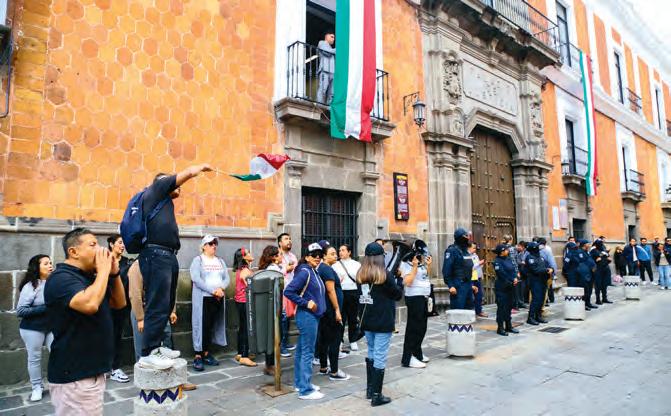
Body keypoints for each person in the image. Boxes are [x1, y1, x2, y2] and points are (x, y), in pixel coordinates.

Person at [137, 164, 213, 368]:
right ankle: (147, 353)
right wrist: (197, 169)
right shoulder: (155, 191)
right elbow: (181, 176)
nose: (177, 185)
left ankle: (158, 347)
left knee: (165, 304)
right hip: (156, 254)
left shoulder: (163, 201)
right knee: (157, 304)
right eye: (171, 181)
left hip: (168, 255)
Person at [44, 228, 126, 415]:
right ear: (74, 252)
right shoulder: (61, 278)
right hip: (75, 375)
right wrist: (104, 270)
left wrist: (114, 274)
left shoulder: (90, 278)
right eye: (92, 244)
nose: (100, 249)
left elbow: (119, 303)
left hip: (91, 372)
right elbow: (89, 304)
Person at [127, 262, 196, 391]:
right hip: (143, 311)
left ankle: (176, 380)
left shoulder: (163, 263)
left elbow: (170, 289)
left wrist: (172, 310)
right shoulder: (137, 266)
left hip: (161, 311)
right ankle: (147, 385)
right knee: (143, 352)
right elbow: (134, 293)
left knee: (167, 346)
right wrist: (140, 317)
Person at [357, 242, 403, 407]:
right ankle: (377, 395)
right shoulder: (385, 275)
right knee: (380, 355)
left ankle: (370, 390)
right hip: (383, 321)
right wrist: (399, 279)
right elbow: (397, 295)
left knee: (371, 351)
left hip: (367, 321)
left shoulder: (360, 274)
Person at [284, 243, 327, 400]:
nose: (318, 257)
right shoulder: (305, 272)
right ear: (307, 257)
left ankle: (300, 383)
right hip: (307, 316)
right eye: (314, 255)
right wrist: (306, 303)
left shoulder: (312, 270)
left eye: (320, 255)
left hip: (311, 316)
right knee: (308, 352)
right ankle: (305, 390)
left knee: (302, 351)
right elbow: (288, 291)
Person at [17, 255, 54, 402]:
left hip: (51, 326)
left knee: (58, 354)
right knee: (34, 358)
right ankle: (37, 388)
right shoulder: (30, 286)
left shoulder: (54, 282)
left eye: (50, 263)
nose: (50, 265)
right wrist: (46, 308)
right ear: (37, 268)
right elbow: (21, 311)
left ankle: (57, 384)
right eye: (46, 264)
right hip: (32, 328)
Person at [190, 235, 229, 371]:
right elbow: (196, 279)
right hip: (204, 298)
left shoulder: (220, 261)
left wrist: (221, 288)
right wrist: (213, 291)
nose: (214, 246)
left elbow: (226, 278)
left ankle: (206, 353)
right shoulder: (198, 260)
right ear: (204, 246)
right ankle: (198, 355)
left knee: (211, 325)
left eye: (215, 243)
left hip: (217, 298)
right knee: (201, 325)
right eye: (211, 243)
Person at [316, 243, 350, 381]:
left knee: (324, 339)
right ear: (324, 256)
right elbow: (330, 291)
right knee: (335, 339)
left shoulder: (323, 268)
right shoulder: (327, 269)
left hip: (325, 310)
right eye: (332, 254)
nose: (336, 256)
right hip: (331, 310)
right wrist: (337, 310)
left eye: (336, 253)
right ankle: (334, 371)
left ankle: (324, 367)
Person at [400, 240, 432, 368]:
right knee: (413, 328)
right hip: (414, 298)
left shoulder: (420, 263)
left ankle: (417, 352)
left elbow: (424, 277)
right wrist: (414, 267)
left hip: (424, 297)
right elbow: (407, 282)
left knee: (422, 327)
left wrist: (428, 266)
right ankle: (407, 358)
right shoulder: (405, 264)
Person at [106, 234, 132, 383]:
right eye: (120, 243)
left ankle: (115, 368)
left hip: (121, 306)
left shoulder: (128, 263)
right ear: (111, 244)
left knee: (117, 336)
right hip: (104, 305)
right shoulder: (103, 261)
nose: (123, 246)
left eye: (123, 243)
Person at [258, 245, 284, 373]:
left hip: (272, 305)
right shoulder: (273, 269)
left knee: (274, 334)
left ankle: (271, 363)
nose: (281, 256)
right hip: (274, 305)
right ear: (274, 257)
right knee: (274, 335)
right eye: (279, 254)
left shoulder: (271, 268)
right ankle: (270, 365)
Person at [332, 244, 362, 352]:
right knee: (341, 317)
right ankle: (339, 340)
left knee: (353, 317)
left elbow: (360, 278)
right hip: (340, 292)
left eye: (343, 250)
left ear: (349, 252)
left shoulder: (356, 264)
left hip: (353, 292)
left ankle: (353, 340)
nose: (340, 252)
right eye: (339, 250)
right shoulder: (335, 265)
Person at [233, 248, 257, 367]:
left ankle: (240, 353)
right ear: (243, 257)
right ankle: (245, 356)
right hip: (245, 301)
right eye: (248, 253)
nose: (251, 254)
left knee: (242, 327)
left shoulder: (241, 269)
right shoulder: (245, 271)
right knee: (247, 328)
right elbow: (250, 286)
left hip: (239, 301)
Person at [443, 228, 477, 309]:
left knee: (469, 312)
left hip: (468, 285)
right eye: (466, 236)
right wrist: (451, 285)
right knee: (458, 312)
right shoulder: (452, 251)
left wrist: (471, 285)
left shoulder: (465, 251)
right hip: (458, 286)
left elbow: (467, 268)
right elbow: (446, 270)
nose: (468, 238)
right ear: (460, 238)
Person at [492, 244, 519, 336]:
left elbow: (513, 270)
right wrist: (511, 280)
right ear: (502, 252)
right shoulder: (497, 261)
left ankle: (509, 326)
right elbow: (501, 274)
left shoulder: (508, 259)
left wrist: (515, 278)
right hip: (502, 287)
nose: (508, 251)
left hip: (511, 286)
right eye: (506, 250)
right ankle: (500, 328)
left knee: (509, 306)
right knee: (502, 307)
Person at [278, 233, 297, 355]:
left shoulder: (292, 256)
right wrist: (286, 269)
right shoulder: (277, 255)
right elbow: (273, 270)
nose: (289, 241)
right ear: (280, 243)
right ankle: (281, 346)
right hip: (281, 291)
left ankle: (286, 341)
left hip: (291, 290)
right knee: (283, 318)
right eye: (286, 239)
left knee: (288, 316)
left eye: (290, 239)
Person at [525, 242, 552, 326]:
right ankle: (531, 318)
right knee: (536, 300)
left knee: (541, 299)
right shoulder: (530, 258)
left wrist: (550, 269)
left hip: (543, 280)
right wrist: (546, 270)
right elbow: (535, 270)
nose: (538, 249)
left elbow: (545, 265)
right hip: (535, 281)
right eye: (537, 248)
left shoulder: (540, 257)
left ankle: (538, 316)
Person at [576, 239, 598, 310]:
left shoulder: (587, 252)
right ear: (584, 245)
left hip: (590, 274)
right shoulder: (579, 252)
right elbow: (582, 263)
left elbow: (590, 260)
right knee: (585, 290)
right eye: (588, 244)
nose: (589, 245)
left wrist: (593, 266)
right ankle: (584, 305)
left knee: (589, 290)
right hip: (584, 274)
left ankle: (588, 303)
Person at [590, 239, 613, 304]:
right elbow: (590, 260)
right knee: (598, 285)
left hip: (605, 268)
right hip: (598, 269)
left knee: (605, 284)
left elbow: (608, 257)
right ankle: (598, 299)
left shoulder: (604, 250)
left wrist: (609, 260)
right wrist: (595, 261)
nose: (601, 244)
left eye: (602, 243)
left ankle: (604, 298)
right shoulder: (593, 251)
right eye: (600, 243)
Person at [316, 31, 336, 104]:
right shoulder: (322, 43)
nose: (333, 39)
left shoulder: (332, 49)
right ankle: (319, 104)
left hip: (332, 72)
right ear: (326, 36)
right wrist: (337, 49)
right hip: (325, 70)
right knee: (323, 89)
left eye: (334, 38)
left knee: (331, 93)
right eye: (332, 37)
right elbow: (327, 52)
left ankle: (329, 106)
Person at [469, 242, 487, 317]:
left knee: (479, 295)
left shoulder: (475, 255)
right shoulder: (467, 256)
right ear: (468, 248)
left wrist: (481, 265)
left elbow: (477, 267)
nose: (475, 249)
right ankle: (469, 312)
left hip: (477, 277)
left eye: (475, 248)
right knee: (470, 296)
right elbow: (470, 267)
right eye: (473, 248)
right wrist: (479, 263)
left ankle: (479, 311)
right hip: (470, 278)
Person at [537, 237, 557, 304]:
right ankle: (548, 300)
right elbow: (552, 263)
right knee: (547, 287)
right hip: (547, 272)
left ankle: (544, 301)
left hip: (537, 273)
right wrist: (554, 272)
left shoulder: (533, 250)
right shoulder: (547, 251)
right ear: (545, 243)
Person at [514, 241, 529, 308]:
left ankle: (523, 301)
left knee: (524, 287)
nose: (518, 247)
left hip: (525, 273)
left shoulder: (526, 253)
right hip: (521, 273)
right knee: (522, 287)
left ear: (523, 247)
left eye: (519, 246)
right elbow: (518, 262)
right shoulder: (519, 253)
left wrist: (523, 262)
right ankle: (521, 301)